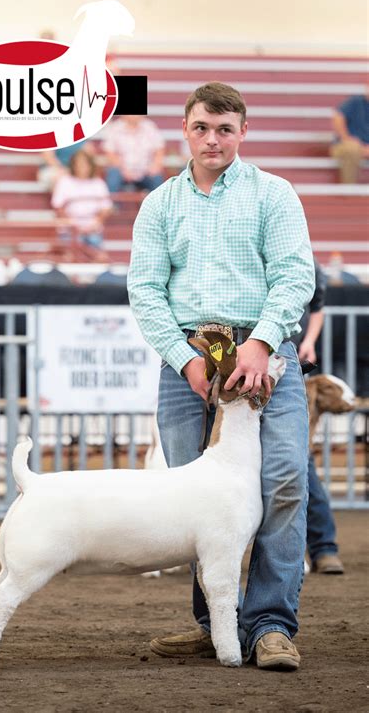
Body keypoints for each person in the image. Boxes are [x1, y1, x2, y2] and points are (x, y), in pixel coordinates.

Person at [128, 82, 315, 670]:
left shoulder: (274, 194)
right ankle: (217, 624)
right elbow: (145, 290)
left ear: (242, 132)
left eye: (226, 129)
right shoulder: (159, 203)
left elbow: (293, 275)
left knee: (283, 484)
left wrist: (259, 343)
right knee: (190, 496)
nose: (214, 139)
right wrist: (183, 358)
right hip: (186, 358)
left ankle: (270, 627)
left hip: (266, 356)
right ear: (186, 128)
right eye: (203, 127)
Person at [293, 259, 344, 574]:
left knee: (300, 462)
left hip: (291, 363)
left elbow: (317, 306)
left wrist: (309, 342)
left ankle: (324, 548)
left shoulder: (308, 262)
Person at [52, 149, 113, 252]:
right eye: (78, 164)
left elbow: (106, 208)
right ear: (73, 165)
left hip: (92, 228)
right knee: (70, 254)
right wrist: (74, 225)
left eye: (85, 164)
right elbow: (58, 207)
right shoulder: (64, 181)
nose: (82, 167)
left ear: (90, 165)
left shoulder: (98, 183)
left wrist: (96, 223)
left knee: (99, 256)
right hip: (69, 229)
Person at [102, 115, 165, 192]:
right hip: (122, 172)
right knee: (113, 175)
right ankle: (112, 204)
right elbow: (110, 153)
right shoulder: (115, 128)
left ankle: (159, 203)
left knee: (157, 178)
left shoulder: (150, 127)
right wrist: (123, 170)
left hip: (146, 172)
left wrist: (155, 166)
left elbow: (159, 150)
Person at [329, 89, 369, 184]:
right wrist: (346, 138)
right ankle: (349, 189)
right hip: (346, 146)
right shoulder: (356, 102)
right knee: (352, 149)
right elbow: (338, 117)